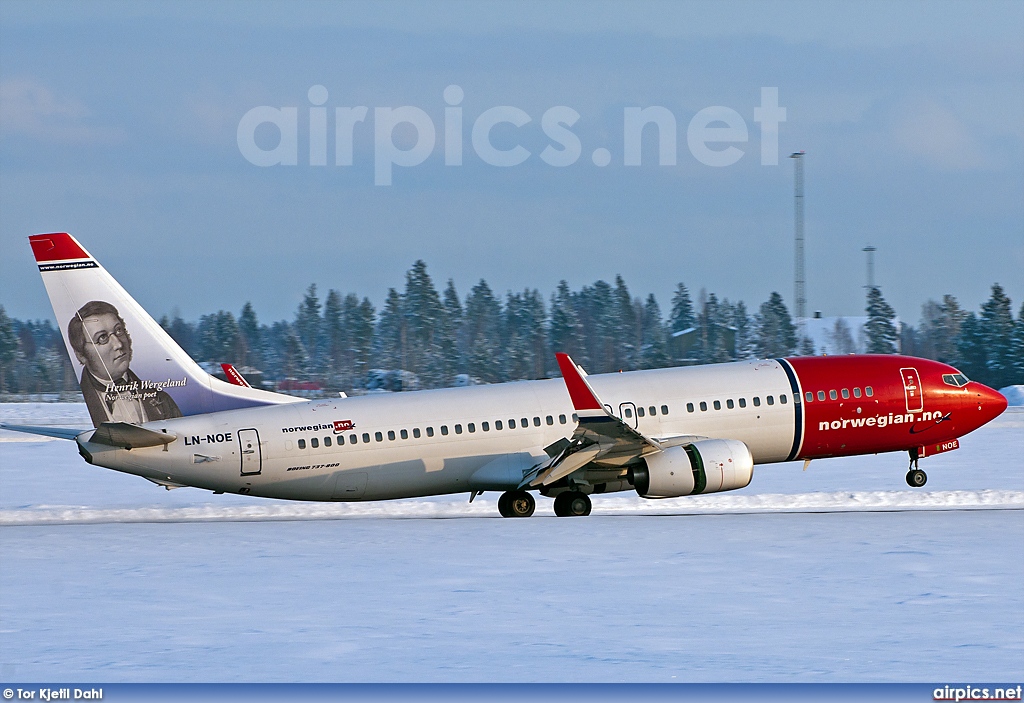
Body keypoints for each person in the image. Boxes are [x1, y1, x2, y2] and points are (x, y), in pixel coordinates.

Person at [68, 300, 182, 426]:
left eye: (119, 331)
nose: (119, 344)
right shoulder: (75, 413)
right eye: (102, 338)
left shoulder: (162, 400)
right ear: (81, 355)